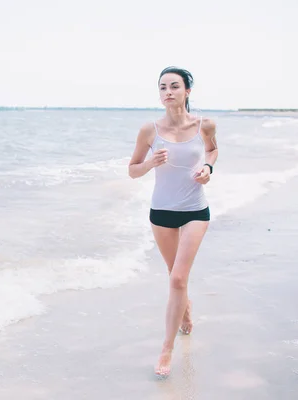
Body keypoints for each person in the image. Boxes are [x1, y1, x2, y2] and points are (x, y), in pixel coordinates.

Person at [127, 66, 218, 377]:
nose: (168, 91)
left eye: (174, 86)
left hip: (195, 210)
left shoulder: (204, 124)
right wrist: (151, 161)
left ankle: (166, 351)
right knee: (173, 274)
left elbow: (213, 150)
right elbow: (133, 169)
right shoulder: (148, 131)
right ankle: (186, 309)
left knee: (178, 278)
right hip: (162, 211)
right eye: (163, 87)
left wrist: (207, 168)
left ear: (187, 92)